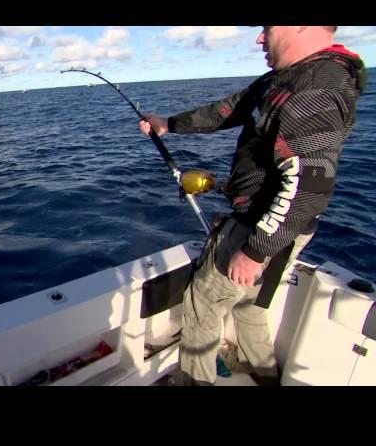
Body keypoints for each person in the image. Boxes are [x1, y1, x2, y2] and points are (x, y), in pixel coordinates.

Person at [139, 26, 367, 386]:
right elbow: (229, 109)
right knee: (250, 305)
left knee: (203, 305)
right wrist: (169, 124)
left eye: (267, 28)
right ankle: (263, 377)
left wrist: (255, 250)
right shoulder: (287, 78)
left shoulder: (316, 90)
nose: (259, 39)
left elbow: (308, 188)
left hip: (260, 229)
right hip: (281, 229)